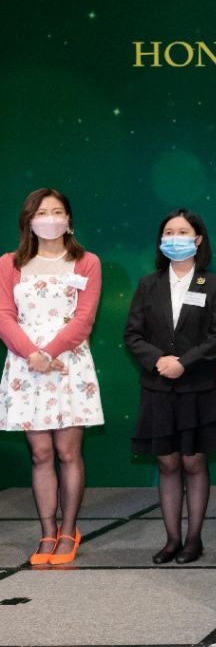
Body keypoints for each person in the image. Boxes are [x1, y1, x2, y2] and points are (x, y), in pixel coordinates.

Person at [124, 209, 216, 564]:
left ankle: (193, 540)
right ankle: (171, 539)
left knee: (193, 462)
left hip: (198, 387)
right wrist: (159, 360)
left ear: (198, 239)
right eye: (168, 231)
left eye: (183, 231)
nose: (175, 237)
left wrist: (183, 362)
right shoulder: (147, 284)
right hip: (158, 387)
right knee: (167, 463)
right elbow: (133, 334)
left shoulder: (214, 285)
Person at [0, 188, 103, 566]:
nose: (50, 217)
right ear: (28, 220)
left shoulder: (87, 261)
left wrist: (52, 353)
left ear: (69, 220)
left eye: (58, 211)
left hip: (69, 365)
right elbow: (4, 316)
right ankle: (46, 530)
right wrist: (33, 355)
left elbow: (84, 318)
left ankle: (69, 530)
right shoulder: (8, 263)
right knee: (40, 453)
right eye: (42, 212)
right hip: (26, 367)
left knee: (67, 451)